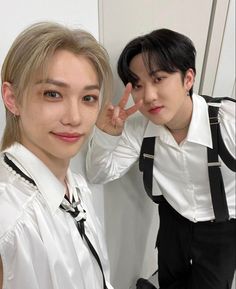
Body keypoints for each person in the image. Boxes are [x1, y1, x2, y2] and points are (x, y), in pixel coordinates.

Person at [86, 28, 236, 289]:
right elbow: (98, 174)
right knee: (169, 280)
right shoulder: (138, 130)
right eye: (139, 85)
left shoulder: (227, 120)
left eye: (159, 79)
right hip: (172, 222)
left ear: (188, 79)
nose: (148, 97)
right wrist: (105, 136)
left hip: (223, 227)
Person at [0, 21, 114, 289]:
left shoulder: (78, 188)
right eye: (53, 94)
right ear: (12, 98)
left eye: (88, 98)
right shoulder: (9, 219)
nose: (74, 118)